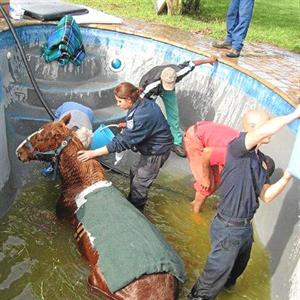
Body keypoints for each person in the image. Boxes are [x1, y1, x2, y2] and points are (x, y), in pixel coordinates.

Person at [187, 105, 300, 300]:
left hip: (244, 229)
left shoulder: (261, 160)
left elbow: (267, 196)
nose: (270, 128)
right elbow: (264, 131)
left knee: (232, 276)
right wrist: (294, 115)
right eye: (266, 124)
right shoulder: (236, 148)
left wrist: (287, 177)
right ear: (254, 129)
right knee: (209, 284)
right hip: (228, 227)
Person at [77, 82, 173, 211]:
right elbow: (143, 125)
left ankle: (136, 211)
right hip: (149, 146)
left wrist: (93, 153)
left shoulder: (142, 115)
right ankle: (132, 200)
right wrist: (127, 125)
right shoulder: (142, 103)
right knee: (134, 171)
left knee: (140, 183)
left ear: (128, 99)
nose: (118, 104)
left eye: (119, 101)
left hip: (157, 151)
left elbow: (122, 142)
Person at [184, 120, 275, 213]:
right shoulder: (237, 154)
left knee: (216, 180)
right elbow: (207, 154)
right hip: (196, 137)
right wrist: (205, 178)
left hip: (208, 136)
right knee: (207, 184)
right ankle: (195, 212)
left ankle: (195, 202)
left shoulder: (252, 154)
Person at [139, 56, 217, 157]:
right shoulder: (150, 86)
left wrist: (208, 60)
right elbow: (140, 104)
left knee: (173, 113)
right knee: (148, 114)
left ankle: (175, 142)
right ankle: (145, 135)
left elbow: (192, 63)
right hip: (150, 89)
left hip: (167, 89)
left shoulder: (179, 72)